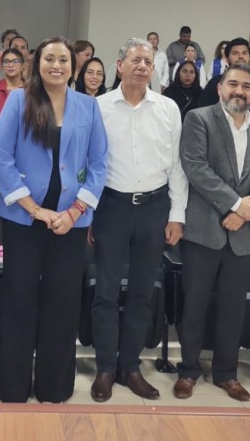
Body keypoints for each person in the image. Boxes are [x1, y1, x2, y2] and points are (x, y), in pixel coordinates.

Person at [0, 36, 107, 403]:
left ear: (73, 66)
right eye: (49, 59)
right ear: (36, 64)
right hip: (23, 219)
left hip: (70, 223)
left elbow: (99, 163)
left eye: (63, 60)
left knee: (62, 304)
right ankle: (12, 387)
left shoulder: (88, 106)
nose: (56, 66)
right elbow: (1, 158)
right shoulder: (18, 100)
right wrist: (34, 209)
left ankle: (54, 387)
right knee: (19, 300)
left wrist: (75, 212)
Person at [91, 38, 188, 402]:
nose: (143, 66)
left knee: (143, 293)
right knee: (105, 291)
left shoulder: (167, 108)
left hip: (154, 208)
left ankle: (130, 366)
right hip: (110, 207)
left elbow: (177, 166)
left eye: (148, 61)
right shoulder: (98, 107)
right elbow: (87, 163)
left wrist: (176, 215)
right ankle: (105, 367)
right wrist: (87, 213)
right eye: (135, 60)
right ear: (119, 66)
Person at [174, 64, 250, 402]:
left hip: (242, 235)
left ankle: (227, 374)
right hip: (204, 231)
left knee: (233, 309)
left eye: (247, 86)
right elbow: (195, 167)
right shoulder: (199, 119)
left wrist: (246, 212)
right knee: (195, 305)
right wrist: (235, 205)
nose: (239, 91)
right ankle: (188, 370)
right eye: (233, 84)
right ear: (219, 88)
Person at [198, 38, 250, 128]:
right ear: (227, 58)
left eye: (244, 53)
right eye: (235, 53)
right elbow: (202, 112)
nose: (241, 56)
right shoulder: (215, 82)